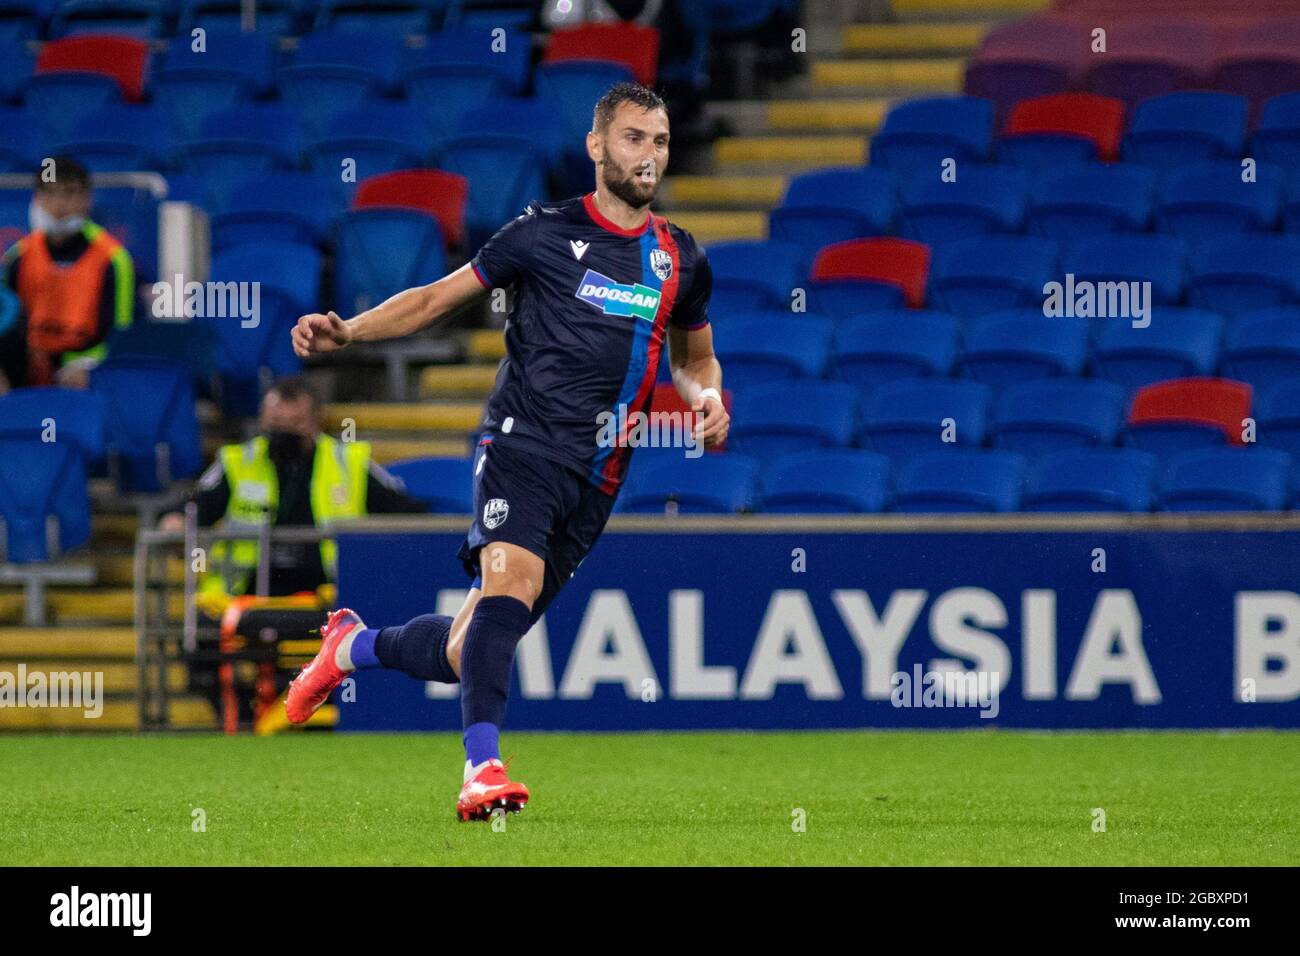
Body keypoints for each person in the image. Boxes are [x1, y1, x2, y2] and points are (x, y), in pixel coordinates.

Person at [286, 83, 729, 821]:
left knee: (469, 647)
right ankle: (482, 770)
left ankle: (350, 649)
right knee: (510, 588)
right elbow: (435, 297)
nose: (648, 155)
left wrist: (708, 397)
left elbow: (697, 358)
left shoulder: (680, 257)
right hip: (522, 442)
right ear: (596, 146)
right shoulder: (541, 233)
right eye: (632, 138)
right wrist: (350, 332)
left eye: (659, 141)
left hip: (600, 475)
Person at [159, 375, 427, 601]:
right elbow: (194, 504)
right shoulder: (239, 461)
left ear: (316, 422)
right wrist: (176, 520)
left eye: (295, 424)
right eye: (276, 424)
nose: (285, 432)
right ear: (262, 420)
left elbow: (405, 513)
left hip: (329, 592)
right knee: (199, 640)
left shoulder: (348, 462)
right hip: (247, 591)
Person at [0, 156, 134, 391]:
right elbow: (8, 324)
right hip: (28, 363)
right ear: (37, 199)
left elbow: (120, 336)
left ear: (87, 199)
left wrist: (82, 366)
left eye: (69, 193)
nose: (59, 204)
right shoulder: (17, 257)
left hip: (86, 366)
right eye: (49, 193)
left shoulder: (113, 258)